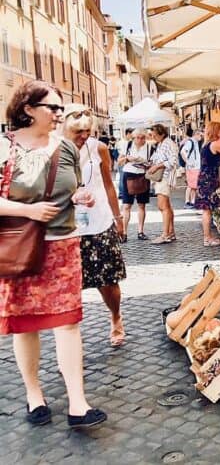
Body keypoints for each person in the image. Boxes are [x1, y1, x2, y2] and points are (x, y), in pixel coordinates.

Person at [0, 80, 106, 428]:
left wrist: (79, 198)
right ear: (28, 109)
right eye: (53, 108)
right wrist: (28, 211)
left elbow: (71, 188)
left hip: (63, 245)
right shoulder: (5, 148)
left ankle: (78, 403)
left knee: (68, 323)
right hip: (19, 248)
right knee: (24, 327)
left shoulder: (66, 148)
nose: (60, 115)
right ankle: (34, 395)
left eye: (62, 108)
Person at [62, 105, 127, 348]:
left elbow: (109, 185)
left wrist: (118, 218)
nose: (84, 136)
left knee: (108, 282)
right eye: (79, 131)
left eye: (87, 131)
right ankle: (69, 339)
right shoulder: (55, 151)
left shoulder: (98, 148)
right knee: (69, 286)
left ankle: (115, 316)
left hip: (99, 222)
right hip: (67, 228)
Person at [118, 129, 153, 240]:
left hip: (142, 176)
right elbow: (119, 161)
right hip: (128, 175)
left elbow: (152, 164)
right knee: (127, 205)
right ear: (133, 137)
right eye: (137, 137)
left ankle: (140, 232)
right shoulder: (128, 145)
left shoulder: (149, 147)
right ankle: (124, 232)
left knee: (141, 205)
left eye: (142, 137)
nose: (140, 140)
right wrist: (127, 158)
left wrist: (144, 163)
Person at [147, 124, 178, 245]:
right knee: (167, 206)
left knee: (163, 206)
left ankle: (165, 234)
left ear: (161, 133)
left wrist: (158, 166)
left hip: (165, 178)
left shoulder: (168, 144)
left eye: (154, 135)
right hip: (161, 178)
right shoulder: (161, 144)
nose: (153, 137)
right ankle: (171, 232)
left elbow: (173, 161)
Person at [180, 129, 202, 209]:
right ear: (196, 134)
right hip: (192, 167)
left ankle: (192, 202)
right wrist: (188, 162)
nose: (201, 137)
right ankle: (187, 202)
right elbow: (183, 152)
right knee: (190, 185)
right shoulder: (190, 142)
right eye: (200, 135)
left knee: (194, 186)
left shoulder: (195, 142)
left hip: (195, 167)